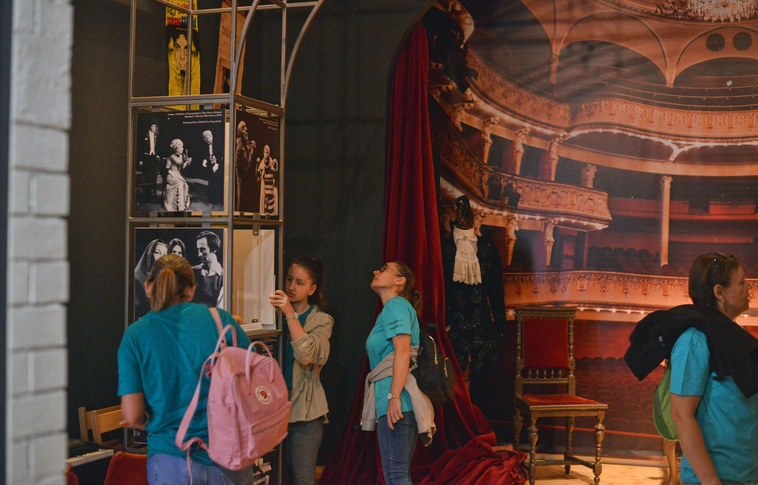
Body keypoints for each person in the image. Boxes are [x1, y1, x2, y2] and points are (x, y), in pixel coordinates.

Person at [118, 254, 253, 485]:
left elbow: (133, 415)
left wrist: (147, 422)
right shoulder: (220, 320)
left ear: (148, 287)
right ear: (191, 290)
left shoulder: (135, 336)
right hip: (228, 456)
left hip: (170, 458)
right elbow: (255, 378)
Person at [626, 253, 758, 485]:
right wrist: (710, 480)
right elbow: (681, 415)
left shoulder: (734, 336)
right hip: (716, 479)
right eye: (741, 282)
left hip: (746, 475)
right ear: (719, 292)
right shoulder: (694, 340)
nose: (749, 287)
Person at [361, 261, 435, 485]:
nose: (376, 271)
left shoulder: (396, 306)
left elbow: (402, 351)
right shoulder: (392, 309)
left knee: (396, 476)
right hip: (398, 399)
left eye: (384, 269)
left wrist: (393, 397)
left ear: (399, 281)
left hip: (398, 401)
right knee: (398, 475)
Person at [269, 257, 333, 485]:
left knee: (302, 477)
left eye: (299, 282)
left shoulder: (321, 320)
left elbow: (307, 355)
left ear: (312, 289)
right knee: (271, 474)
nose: (291, 287)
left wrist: (289, 314)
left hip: (305, 411)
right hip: (270, 406)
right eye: (289, 279)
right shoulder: (271, 314)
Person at [134, 239, 167, 318]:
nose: (162, 257)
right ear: (150, 254)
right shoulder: (138, 277)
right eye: (158, 253)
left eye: (165, 254)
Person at [192, 231, 224, 308]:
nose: (199, 254)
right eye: (198, 250)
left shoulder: (222, 278)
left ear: (214, 249)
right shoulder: (193, 271)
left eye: (203, 249)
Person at [164, 138, 192, 211]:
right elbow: (167, 169)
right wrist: (174, 175)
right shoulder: (171, 157)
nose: (182, 149)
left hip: (178, 175)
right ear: (176, 148)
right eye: (181, 147)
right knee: (180, 183)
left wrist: (186, 162)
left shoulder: (182, 156)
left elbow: (182, 167)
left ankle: (182, 205)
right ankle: (177, 206)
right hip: (171, 175)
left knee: (185, 185)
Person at [235, 121, 256, 210]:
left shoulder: (243, 144)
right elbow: (246, 168)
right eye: (243, 128)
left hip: (244, 179)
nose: (246, 129)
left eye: (246, 127)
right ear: (240, 131)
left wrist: (250, 146)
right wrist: (251, 152)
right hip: (240, 179)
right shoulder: (239, 148)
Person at [201, 130, 223, 207]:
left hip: (219, 164)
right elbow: (205, 153)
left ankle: (216, 199)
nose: (204, 139)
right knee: (210, 180)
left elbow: (221, 154)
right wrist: (205, 160)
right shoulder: (206, 143)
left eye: (205, 138)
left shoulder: (218, 142)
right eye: (204, 138)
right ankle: (210, 198)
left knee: (217, 182)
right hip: (210, 164)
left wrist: (217, 164)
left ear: (210, 136)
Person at [256, 144, 278, 215]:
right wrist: (257, 165)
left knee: (271, 212)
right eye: (264, 152)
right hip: (265, 192)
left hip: (271, 192)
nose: (265, 154)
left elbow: (276, 173)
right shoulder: (262, 164)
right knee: (264, 211)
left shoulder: (272, 163)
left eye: (267, 153)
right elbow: (258, 177)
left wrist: (275, 166)